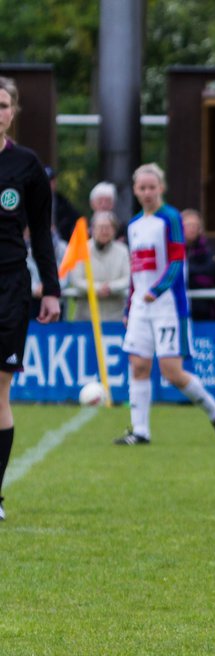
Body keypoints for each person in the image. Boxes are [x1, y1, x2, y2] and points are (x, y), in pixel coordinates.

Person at [115, 164, 215, 446]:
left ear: (161, 188)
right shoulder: (133, 225)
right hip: (141, 306)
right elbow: (136, 270)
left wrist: (157, 289)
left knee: (172, 372)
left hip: (167, 305)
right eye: (141, 188)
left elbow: (177, 260)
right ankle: (140, 431)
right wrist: (129, 307)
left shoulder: (170, 219)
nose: (146, 193)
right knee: (138, 365)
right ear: (135, 190)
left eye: (151, 187)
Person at [0, 77, 62, 520]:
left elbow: (42, 232)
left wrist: (52, 289)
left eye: (3, 104)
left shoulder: (27, 165)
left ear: (13, 111)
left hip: (10, 286)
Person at [64, 211, 131, 322]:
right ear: (92, 229)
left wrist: (111, 288)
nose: (104, 231)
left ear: (114, 230)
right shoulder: (81, 249)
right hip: (85, 318)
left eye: (108, 227)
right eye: (100, 227)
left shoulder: (123, 250)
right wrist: (97, 288)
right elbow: (76, 279)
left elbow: (128, 278)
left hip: (115, 318)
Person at [182, 209, 215, 321]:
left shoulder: (206, 250)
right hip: (178, 307)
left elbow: (210, 272)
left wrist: (188, 271)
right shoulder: (172, 249)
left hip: (203, 309)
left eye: (195, 225)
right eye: (188, 225)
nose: (192, 229)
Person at [47, 167, 80, 242]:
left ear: (55, 182)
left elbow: (77, 219)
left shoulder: (63, 202)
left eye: (51, 181)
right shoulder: (32, 201)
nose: (48, 184)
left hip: (60, 239)